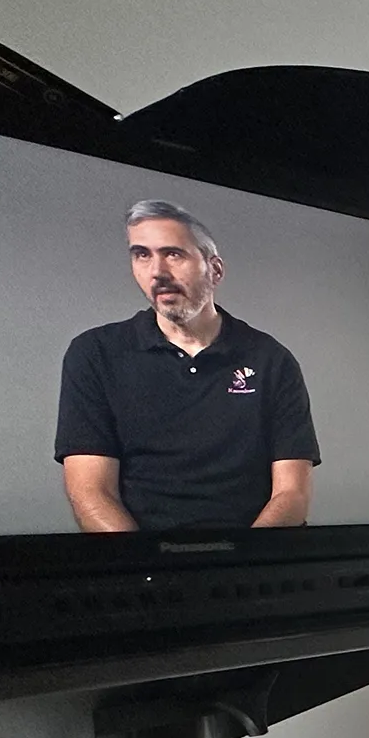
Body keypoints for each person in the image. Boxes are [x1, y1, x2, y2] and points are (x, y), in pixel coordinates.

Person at [55, 200, 319, 532]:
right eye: (142, 255)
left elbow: (292, 494)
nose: (157, 272)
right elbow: (91, 492)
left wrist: (237, 565)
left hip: (249, 559)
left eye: (174, 254)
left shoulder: (271, 360)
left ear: (216, 270)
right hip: (142, 563)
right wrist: (149, 573)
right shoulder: (94, 354)